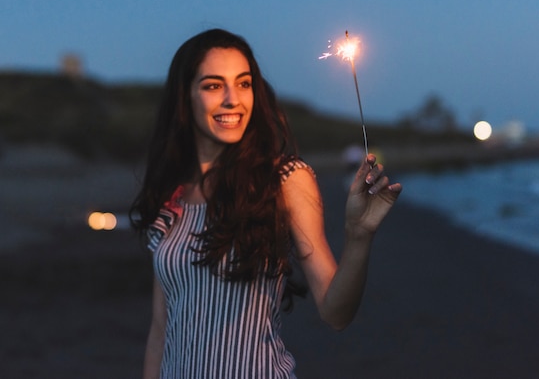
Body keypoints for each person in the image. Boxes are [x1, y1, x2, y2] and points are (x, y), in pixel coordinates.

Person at [131, 28, 402, 378]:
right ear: (185, 97)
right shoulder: (172, 198)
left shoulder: (284, 179)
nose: (233, 98)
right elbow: (159, 329)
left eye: (243, 84)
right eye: (213, 85)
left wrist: (359, 235)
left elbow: (336, 313)